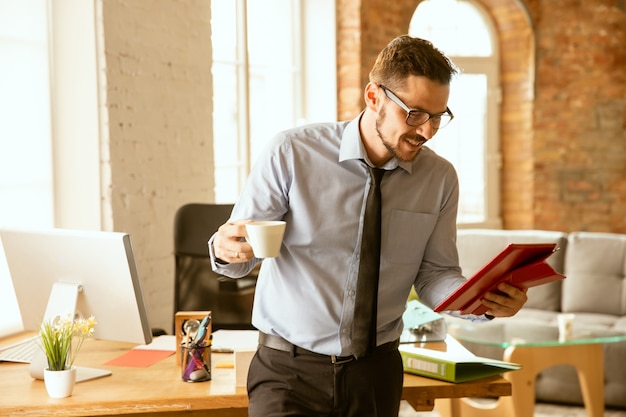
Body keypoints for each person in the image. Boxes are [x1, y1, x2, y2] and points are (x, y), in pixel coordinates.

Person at [209, 35, 528, 417]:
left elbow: (434, 276)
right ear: (374, 97)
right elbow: (241, 252)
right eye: (414, 114)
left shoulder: (440, 179)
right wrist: (224, 249)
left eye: (438, 117)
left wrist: (483, 301)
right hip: (288, 372)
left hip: (376, 373)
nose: (426, 131)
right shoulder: (291, 153)